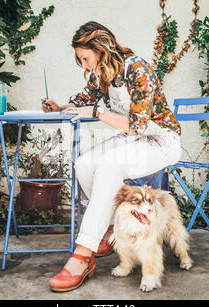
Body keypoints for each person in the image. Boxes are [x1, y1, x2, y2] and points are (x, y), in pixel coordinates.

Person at [40, 21, 182, 292]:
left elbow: (138, 125)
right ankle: (109, 229)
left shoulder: (138, 70)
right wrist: (60, 106)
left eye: (85, 58)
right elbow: (84, 100)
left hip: (160, 139)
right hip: (133, 139)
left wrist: (98, 113)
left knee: (109, 163)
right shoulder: (101, 74)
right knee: (84, 164)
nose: (83, 65)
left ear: (101, 48)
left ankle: (83, 254)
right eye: (79, 60)